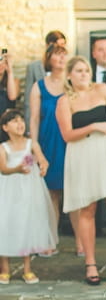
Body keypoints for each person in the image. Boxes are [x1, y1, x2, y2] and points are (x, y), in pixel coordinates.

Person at [56, 56, 106, 285]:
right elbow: (67, 135)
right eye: (79, 71)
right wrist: (93, 126)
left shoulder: (102, 89)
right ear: (70, 75)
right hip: (83, 154)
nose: (84, 74)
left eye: (86, 70)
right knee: (88, 210)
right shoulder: (65, 101)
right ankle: (90, 263)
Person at [29, 42, 82, 256]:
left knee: (76, 193)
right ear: (48, 59)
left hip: (71, 141)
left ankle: (81, 242)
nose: (61, 59)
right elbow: (33, 118)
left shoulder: (74, 84)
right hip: (49, 141)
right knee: (52, 194)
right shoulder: (39, 86)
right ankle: (50, 240)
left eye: (64, 55)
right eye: (56, 55)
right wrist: (34, 145)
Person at [0, 109, 58, 285]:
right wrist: (17, 169)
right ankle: (5, 269)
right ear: (5, 127)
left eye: (21, 120)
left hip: (29, 189)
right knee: (6, 223)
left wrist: (43, 166)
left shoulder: (31, 143)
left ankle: (27, 268)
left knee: (27, 223)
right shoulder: (3, 148)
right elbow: (4, 169)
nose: (20, 124)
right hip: (8, 190)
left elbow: (41, 159)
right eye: (14, 121)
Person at [24, 30, 67, 129]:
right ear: (49, 45)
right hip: (43, 119)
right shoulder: (33, 67)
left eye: (63, 45)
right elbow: (27, 100)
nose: (61, 48)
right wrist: (28, 128)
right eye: (57, 45)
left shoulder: (68, 67)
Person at [0, 49, 19, 114]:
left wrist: (10, 72)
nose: (1, 65)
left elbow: (12, 97)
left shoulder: (14, 81)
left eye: (4, 62)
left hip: (7, 120)